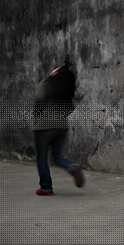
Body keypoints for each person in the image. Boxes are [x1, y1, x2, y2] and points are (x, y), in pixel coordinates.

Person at [32, 55, 84, 195]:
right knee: (57, 158)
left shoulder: (47, 83)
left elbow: (38, 100)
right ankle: (72, 167)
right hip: (61, 127)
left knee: (41, 158)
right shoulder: (66, 89)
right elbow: (70, 109)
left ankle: (46, 188)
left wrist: (37, 118)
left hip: (44, 126)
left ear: (56, 72)